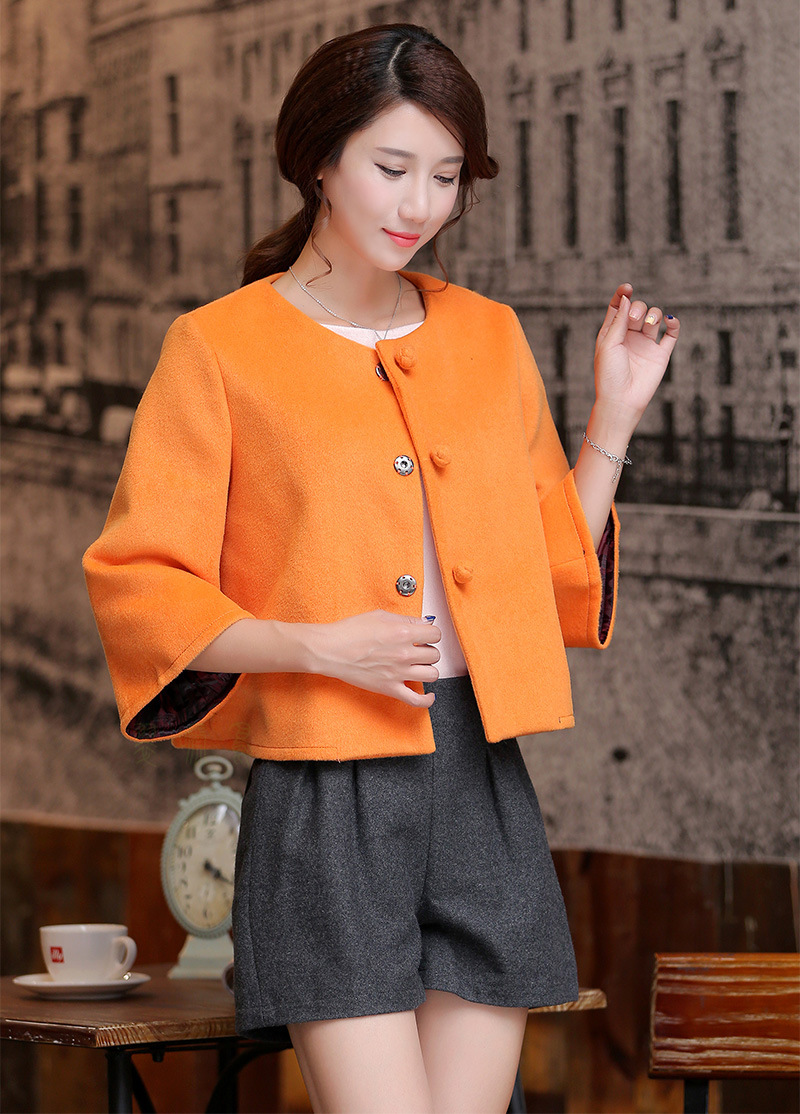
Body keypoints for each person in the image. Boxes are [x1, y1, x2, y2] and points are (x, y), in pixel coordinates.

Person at [82, 22, 679, 1114]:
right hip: (326, 787)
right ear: (320, 159)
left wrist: (614, 417)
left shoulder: (487, 336)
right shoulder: (218, 348)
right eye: (391, 167)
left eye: (445, 176)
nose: (420, 205)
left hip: (480, 776)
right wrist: (319, 646)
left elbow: (544, 576)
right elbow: (141, 582)